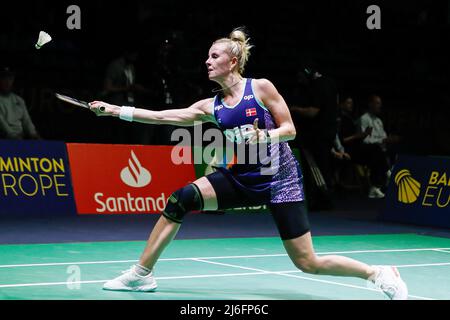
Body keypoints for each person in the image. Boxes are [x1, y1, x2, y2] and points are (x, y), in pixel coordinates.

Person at [89, 28, 408, 299]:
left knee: (307, 262)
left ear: (233, 61)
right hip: (241, 177)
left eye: (214, 56)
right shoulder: (211, 105)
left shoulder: (261, 88)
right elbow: (162, 116)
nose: (207, 61)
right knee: (181, 198)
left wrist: (263, 137)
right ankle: (141, 273)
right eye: (208, 57)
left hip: (280, 181)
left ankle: (378, 273)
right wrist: (116, 110)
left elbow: (290, 130)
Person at [290, 64, 338, 210]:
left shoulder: (318, 86)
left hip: (317, 136)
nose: (300, 81)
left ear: (307, 74)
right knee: (324, 167)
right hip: (328, 133)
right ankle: (322, 200)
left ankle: (323, 201)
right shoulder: (330, 83)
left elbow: (313, 112)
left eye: (301, 77)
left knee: (316, 169)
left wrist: (293, 109)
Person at [356, 95, 400, 196]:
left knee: (396, 148)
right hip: (365, 150)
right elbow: (365, 139)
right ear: (370, 104)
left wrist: (390, 139)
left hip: (380, 148)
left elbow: (383, 136)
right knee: (376, 150)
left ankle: (391, 178)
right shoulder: (364, 119)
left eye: (380, 103)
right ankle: (388, 175)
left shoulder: (378, 121)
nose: (379, 106)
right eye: (377, 103)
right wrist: (383, 140)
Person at [0, 66, 41, 140]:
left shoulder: (19, 100)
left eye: (10, 78)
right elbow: (2, 125)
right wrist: (13, 136)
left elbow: (27, 121)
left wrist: (34, 134)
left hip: (20, 139)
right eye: (4, 78)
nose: (7, 82)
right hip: (5, 140)